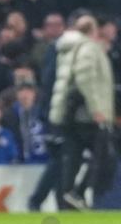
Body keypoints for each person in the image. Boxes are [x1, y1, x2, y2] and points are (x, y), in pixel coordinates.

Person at [48, 14, 115, 209]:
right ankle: (78, 191)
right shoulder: (88, 47)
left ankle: (68, 196)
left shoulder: (66, 48)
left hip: (69, 113)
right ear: (93, 30)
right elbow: (86, 78)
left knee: (72, 156)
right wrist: (97, 109)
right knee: (104, 156)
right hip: (86, 114)